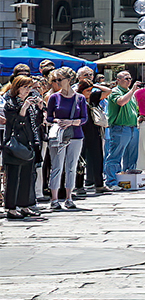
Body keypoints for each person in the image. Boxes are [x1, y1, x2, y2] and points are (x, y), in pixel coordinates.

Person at [45, 69, 87, 211]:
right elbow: (49, 117)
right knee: (56, 166)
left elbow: (84, 118)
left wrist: (72, 122)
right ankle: (54, 199)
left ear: (69, 80)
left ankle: (69, 197)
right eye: (55, 80)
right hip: (59, 135)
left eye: (59, 79)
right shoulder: (53, 97)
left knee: (71, 167)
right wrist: (58, 120)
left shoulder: (80, 98)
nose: (57, 83)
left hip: (75, 134)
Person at [3, 76, 45, 219]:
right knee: (13, 177)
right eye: (25, 87)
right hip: (14, 144)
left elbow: (36, 123)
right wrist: (24, 107)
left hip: (29, 143)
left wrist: (39, 108)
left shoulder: (31, 102)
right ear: (18, 87)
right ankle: (11, 208)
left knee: (28, 176)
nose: (28, 90)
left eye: (30, 87)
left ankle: (25, 205)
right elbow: (14, 122)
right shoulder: (11, 103)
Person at [103, 70, 139, 190]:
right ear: (118, 80)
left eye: (130, 78)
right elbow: (121, 102)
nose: (129, 81)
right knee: (115, 155)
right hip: (120, 128)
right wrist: (133, 90)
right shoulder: (115, 92)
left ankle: (127, 180)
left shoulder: (130, 93)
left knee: (131, 157)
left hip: (132, 127)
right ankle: (111, 181)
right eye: (126, 79)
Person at [76, 67, 105, 196]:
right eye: (86, 75)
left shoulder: (93, 96)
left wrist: (95, 86)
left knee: (97, 157)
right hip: (80, 132)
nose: (89, 76)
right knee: (80, 160)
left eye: (91, 74)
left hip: (94, 131)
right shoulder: (75, 96)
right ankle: (79, 185)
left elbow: (108, 91)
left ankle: (99, 184)